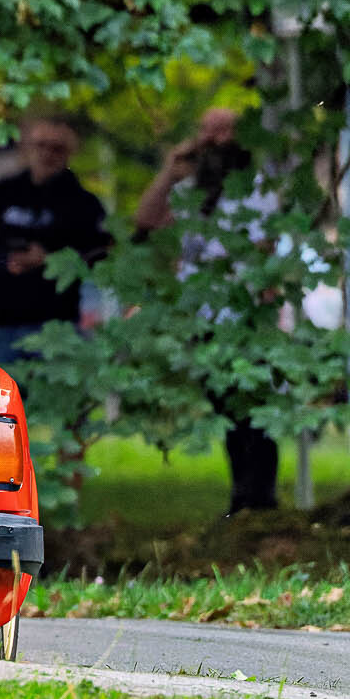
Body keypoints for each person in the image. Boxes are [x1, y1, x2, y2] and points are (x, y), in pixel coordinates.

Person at [134, 107, 279, 516]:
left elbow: (264, 249)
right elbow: (145, 220)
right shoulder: (189, 190)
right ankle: (242, 497)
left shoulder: (257, 187)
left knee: (252, 410)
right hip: (202, 315)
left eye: (226, 130)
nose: (217, 140)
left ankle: (260, 499)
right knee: (224, 408)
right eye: (209, 131)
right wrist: (170, 170)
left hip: (244, 315)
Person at [0, 116, 110, 364]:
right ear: (28, 147)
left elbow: (100, 257)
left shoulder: (84, 204)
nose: (47, 154)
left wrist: (49, 260)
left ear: (70, 153)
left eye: (57, 148)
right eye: (41, 145)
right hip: (4, 324)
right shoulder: (4, 193)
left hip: (58, 327)